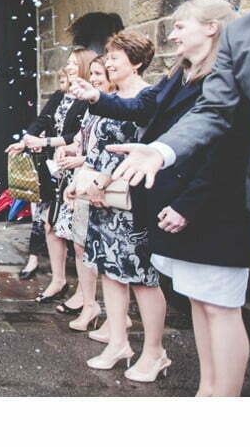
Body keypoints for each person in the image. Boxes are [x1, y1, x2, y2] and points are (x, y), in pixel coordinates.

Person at [71, 0, 250, 392]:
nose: (171, 35)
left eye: (180, 27)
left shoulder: (229, 77)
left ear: (212, 28)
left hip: (210, 206)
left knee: (220, 309)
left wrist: (187, 205)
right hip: (172, 200)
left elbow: (227, 150)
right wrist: (97, 99)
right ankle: (208, 390)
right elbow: (145, 105)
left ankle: (227, 399)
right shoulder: (180, 72)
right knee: (201, 305)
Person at [109, 0, 250, 276]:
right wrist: (160, 151)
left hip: (216, 208)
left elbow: (230, 148)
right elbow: (214, 113)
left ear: (210, 27)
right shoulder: (242, 34)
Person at [69, 30, 169, 378]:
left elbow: (140, 150)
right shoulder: (110, 97)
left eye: (114, 57)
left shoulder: (148, 99)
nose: (107, 62)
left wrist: (104, 180)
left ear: (137, 62)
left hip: (131, 202)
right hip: (101, 201)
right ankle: (118, 343)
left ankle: (155, 352)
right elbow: (95, 148)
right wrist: (82, 182)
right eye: (107, 56)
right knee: (110, 273)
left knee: (142, 277)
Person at [6, 48, 93, 299]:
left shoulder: (89, 100)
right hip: (52, 168)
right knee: (49, 224)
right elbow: (41, 121)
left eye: (74, 64)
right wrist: (25, 141)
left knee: (76, 234)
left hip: (73, 168)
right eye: (68, 63)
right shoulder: (59, 95)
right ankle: (58, 280)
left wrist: (44, 143)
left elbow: (74, 137)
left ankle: (84, 296)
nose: (69, 67)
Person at [53, 56, 115, 327]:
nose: (95, 79)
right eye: (92, 74)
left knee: (105, 251)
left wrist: (81, 161)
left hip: (105, 182)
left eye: (100, 74)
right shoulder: (93, 105)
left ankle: (114, 316)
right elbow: (83, 139)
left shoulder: (119, 106)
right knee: (80, 245)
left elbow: (113, 146)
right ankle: (90, 305)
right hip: (84, 179)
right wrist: (71, 152)